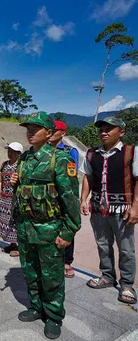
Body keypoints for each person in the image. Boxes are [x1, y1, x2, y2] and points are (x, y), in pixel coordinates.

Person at [10, 111, 81, 340]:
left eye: (35, 129)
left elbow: (70, 198)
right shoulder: (24, 159)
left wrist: (68, 231)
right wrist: (15, 184)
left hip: (49, 229)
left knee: (51, 276)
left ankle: (53, 316)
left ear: (49, 133)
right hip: (25, 227)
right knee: (30, 271)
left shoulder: (60, 160)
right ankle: (36, 307)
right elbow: (23, 193)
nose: (30, 132)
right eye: (28, 129)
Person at [80, 116, 137, 305]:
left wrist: (135, 207)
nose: (103, 132)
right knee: (103, 244)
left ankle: (127, 284)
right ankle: (107, 276)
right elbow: (87, 177)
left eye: (108, 129)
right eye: (101, 129)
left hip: (122, 209)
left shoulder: (131, 152)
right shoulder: (91, 154)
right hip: (98, 208)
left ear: (121, 132)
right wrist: (83, 199)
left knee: (126, 248)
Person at [49, 120, 79, 278]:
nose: (51, 132)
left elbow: (72, 178)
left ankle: (67, 261)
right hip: (47, 198)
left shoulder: (70, 151)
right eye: (50, 129)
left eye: (55, 130)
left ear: (63, 133)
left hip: (63, 196)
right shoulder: (43, 151)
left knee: (67, 227)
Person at [0, 142, 23, 257]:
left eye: (12, 151)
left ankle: (19, 247)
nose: (9, 153)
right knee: (6, 221)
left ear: (19, 154)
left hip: (15, 199)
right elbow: (0, 181)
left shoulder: (21, 166)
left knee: (15, 221)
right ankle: (12, 244)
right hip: (5, 198)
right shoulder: (4, 164)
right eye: (9, 151)